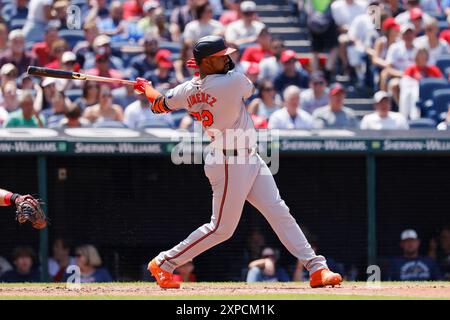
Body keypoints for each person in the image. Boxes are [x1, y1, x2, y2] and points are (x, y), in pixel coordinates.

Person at [134, 35, 342, 289]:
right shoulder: (231, 81)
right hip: (229, 161)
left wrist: (146, 87)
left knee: (278, 211)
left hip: (247, 157)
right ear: (208, 62)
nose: (228, 59)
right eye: (221, 56)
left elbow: (158, 105)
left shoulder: (187, 89)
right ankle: (165, 262)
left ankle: (316, 267)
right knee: (221, 228)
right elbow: (248, 87)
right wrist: (206, 70)